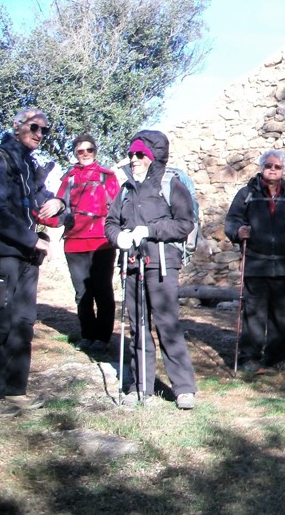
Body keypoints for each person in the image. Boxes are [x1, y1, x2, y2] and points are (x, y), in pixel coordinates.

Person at [0, 107, 66, 417]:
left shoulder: (27, 166)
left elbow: (41, 201)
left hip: (25, 258)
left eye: (45, 130)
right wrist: (32, 239)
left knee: (22, 323)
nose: (40, 134)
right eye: (35, 127)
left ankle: (15, 390)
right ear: (17, 126)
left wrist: (58, 203)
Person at [105, 130, 198, 410]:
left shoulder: (171, 184)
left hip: (162, 265)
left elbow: (185, 224)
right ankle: (140, 386)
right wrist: (118, 237)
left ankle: (184, 389)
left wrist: (149, 230)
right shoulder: (126, 188)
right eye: (131, 154)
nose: (133, 159)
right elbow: (110, 223)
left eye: (139, 154)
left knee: (167, 324)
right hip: (132, 264)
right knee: (138, 327)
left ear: (153, 156)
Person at [224, 150, 285, 375]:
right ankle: (249, 358)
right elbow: (232, 221)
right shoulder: (247, 194)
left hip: (284, 265)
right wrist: (237, 232)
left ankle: (276, 358)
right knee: (254, 314)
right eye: (269, 166)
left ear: (283, 170)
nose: (273, 169)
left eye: (277, 166)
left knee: (282, 315)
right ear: (262, 168)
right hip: (256, 264)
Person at [55, 134, 120, 353]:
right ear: (75, 153)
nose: (85, 154)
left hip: (102, 243)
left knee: (103, 290)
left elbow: (117, 208)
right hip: (74, 243)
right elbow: (59, 206)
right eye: (80, 151)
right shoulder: (69, 178)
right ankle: (87, 334)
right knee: (82, 293)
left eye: (89, 150)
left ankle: (103, 337)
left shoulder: (107, 176)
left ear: (95, 151)